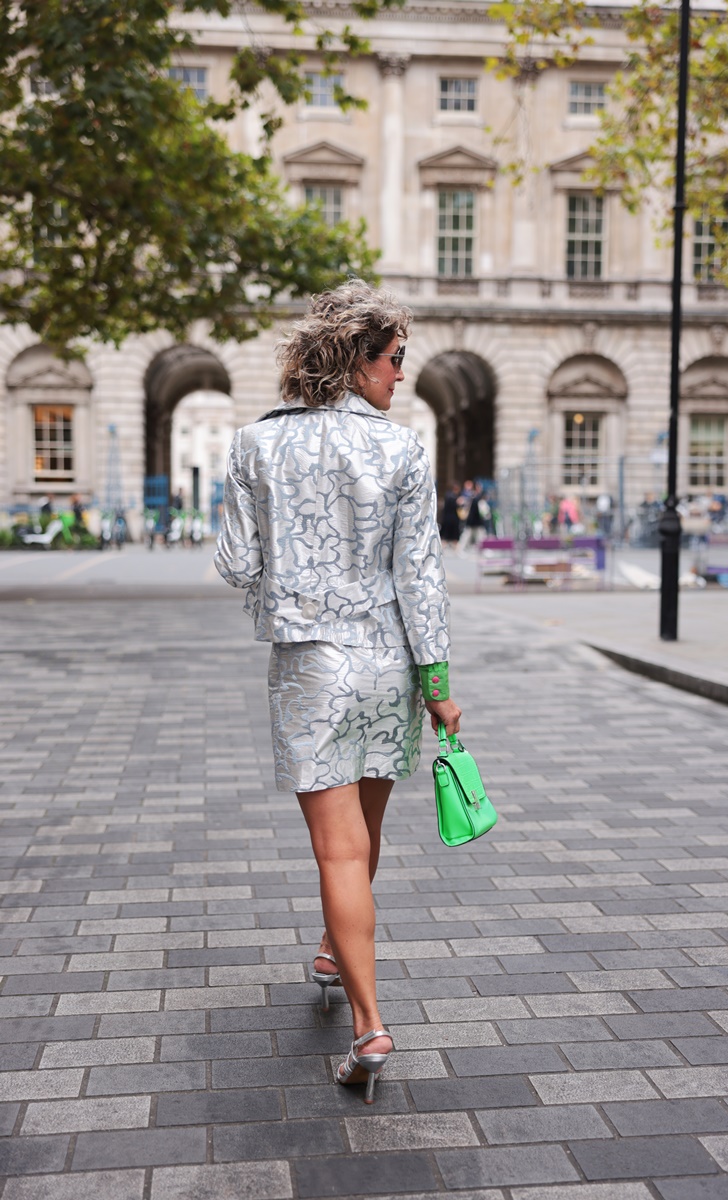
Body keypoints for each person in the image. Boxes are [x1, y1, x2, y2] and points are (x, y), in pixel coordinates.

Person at [215, 280, 461, 1103]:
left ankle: (369, 1025)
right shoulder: (403, 451)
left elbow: (236, 564)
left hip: (313, 668)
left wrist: (285, 583)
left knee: (338, 848)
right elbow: (420, 579)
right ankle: (332, 949)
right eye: (393, 359)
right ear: (358, 361)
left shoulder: (254, 444)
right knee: (365, 834)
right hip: (390, 666)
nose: (401, 374)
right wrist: (439, 684)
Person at [440, 481, 461, 547]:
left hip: (447, 518)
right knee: (451, 534)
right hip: (452, 518)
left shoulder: (448, 495)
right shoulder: (453, 497)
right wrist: (458, 502)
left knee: (446, 534)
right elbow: (454, 506)